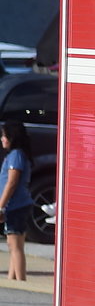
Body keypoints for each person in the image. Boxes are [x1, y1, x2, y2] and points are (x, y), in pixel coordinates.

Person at [1, 120, 32, 283]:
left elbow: (11, 183)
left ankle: (20, 280)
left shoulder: (16, 155)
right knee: (13, 244)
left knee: (15, 245)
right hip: (18, 205)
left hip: (16, 205)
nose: (2, 139)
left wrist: (1, 207)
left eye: (4, 136)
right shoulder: (17, 155)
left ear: (11, 137)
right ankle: (12, 279)